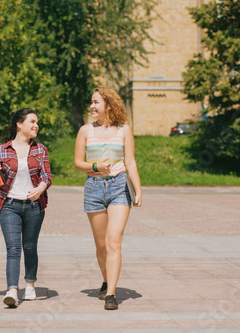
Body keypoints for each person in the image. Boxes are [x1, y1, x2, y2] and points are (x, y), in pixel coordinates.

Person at [74, 87, 142, 310]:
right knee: (101, 244)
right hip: (93, 188)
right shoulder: (85, 131)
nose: (92, 106)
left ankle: (111, 293)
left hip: (119, 186)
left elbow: (130, 161)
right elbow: (78, 163)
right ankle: (105, 280)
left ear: (109, 105)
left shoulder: (124, 130)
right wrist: (95, 166)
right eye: (91, 102)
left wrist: (138, 189)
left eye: (96, 102)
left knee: (114, 241)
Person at [0, 108, 52, 308]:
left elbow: (47, 177)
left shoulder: (40, 149)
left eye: (37, 122)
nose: (36, 125)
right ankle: (12, 291)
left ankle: (30, 285)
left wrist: (40, 189)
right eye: (32, 121)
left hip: (34, 205)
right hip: (9, 205)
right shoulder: (1, 150)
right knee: (13, 248)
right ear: (19, 124)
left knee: (30, 247)